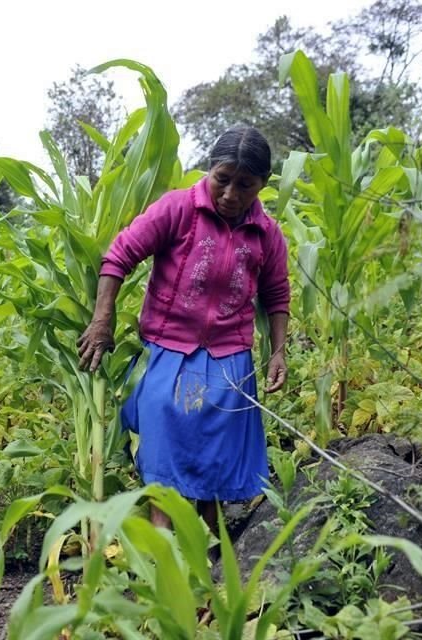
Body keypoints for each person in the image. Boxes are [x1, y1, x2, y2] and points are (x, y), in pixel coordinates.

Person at [76, 124, 290, 534]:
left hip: (229, 357)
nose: (230, 194)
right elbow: (119, 257)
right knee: (164, 454)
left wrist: (278, 352)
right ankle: (164, 549)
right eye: (222, 180)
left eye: (245, 185)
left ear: (262, 184)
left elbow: (277, 295)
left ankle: (209, 548)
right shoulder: (177, 209)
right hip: (166, 349)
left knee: (216, 459)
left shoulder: (267, 234)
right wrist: (102, 320)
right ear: (210, 169)